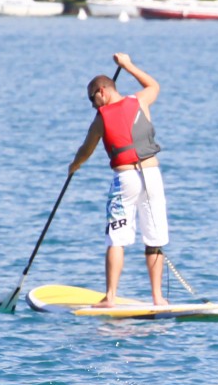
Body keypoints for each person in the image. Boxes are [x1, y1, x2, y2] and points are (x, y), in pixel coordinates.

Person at [69, 53, 169, 308]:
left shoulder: (102, 118)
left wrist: (74, 166)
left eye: (93, 100)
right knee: (153, 239)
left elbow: (86, 150)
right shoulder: (140, 101)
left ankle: (110, 297)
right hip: (153, 176)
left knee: (117, 238)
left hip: (126, 179)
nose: (94, 106)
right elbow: (154, 86)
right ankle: (158, 298)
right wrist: (128, 65)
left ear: (102, 91)